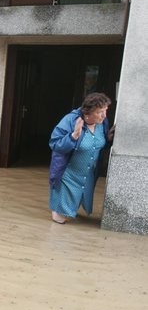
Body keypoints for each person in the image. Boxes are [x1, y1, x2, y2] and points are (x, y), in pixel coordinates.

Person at [48, 92, 115, 224]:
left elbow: (96, 144)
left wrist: (108, 140)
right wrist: (73, 136)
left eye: (105, 111)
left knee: (76, 203)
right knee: (60, 217)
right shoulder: (70, 120)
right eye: (100, 112)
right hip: (68, 174)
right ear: (88, 113)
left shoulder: (102, 122)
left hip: (87, 174)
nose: (104, 115)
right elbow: (54, 144)